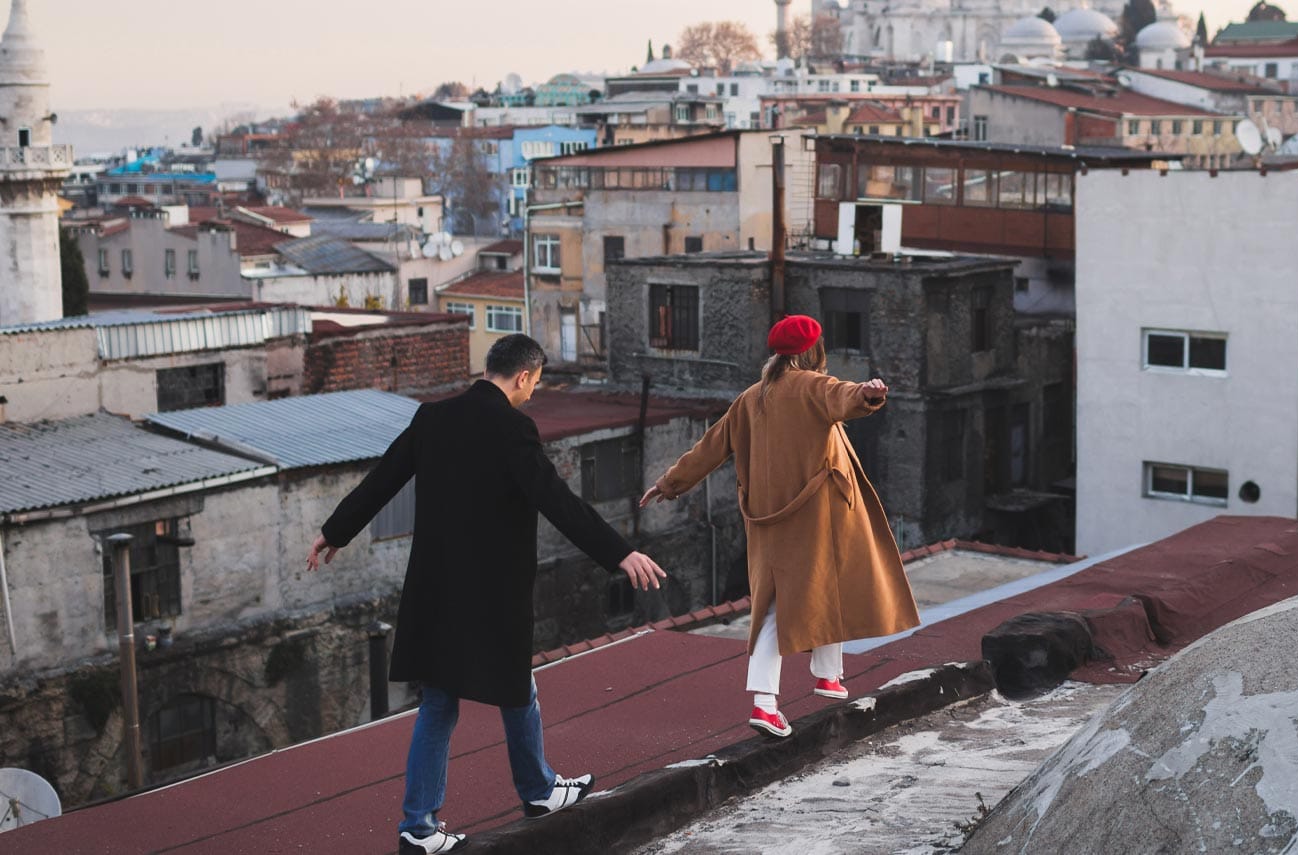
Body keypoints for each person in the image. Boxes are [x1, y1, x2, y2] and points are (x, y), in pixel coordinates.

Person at [305, 334, 667, 855]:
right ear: (523, 377)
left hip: (435, 587)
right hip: (492, 588)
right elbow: (557, 501)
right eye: (536, 384)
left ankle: (421, 825)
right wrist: (619, 553)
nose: (533, 394)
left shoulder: (432, 418)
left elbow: (383, 480)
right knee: (517, 685)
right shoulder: (513, 427)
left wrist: (334, 532)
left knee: (440, 701)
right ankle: (536, 791)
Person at [640, 315, 919, 738]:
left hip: (769, 522)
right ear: (813, 351)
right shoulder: (813, 385)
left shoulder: (751, 398)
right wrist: (868, 394)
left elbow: (709, 448)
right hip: (818, 516)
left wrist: (668, 483)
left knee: (808, 591)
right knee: (784, 605)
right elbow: (845, 396)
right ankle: (765, 704)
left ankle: (828, 675)